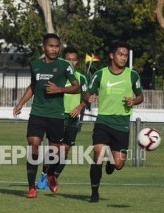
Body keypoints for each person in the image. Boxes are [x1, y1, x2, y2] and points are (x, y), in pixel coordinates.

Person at [13, 33, 80, 198]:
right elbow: (33, 86)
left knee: (55, 152)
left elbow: (76, 87)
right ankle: (31, 187)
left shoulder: (65, 65)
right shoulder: (35, 65)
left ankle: (50, 173)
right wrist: (21, 103)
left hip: (56, 115)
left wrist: (59, 89)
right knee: (33, 143)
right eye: (51, 46)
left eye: (57, 46)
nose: (54, 49)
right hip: (37, 112)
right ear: (43, 47)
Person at [85, 42, 143, 203]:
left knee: (118, 165)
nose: (123, 58)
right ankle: (94, 193)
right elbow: (87, 94)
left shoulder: (132, 75)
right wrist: (88, 98)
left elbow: (140, 96)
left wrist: (134, 100)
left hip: (122, 123)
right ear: (112, 55)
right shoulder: (100, 74)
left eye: (125, 55)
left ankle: (111, 162)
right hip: (103, 120)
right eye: (120, 54)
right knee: (98, 152)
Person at [37, 46, 88, 190]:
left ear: (77, 62)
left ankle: (52, 178)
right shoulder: (56, 75)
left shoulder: (81, 78)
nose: (71, 62)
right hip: (56, 116)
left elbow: (87, 98)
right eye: (68, 60)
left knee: (65, 150)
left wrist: (79, 107)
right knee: (54, 150)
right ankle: (43, 174)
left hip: (72, 118)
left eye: (74, 60)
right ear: (63, 61)